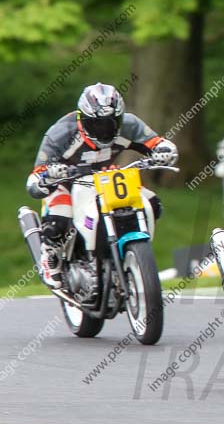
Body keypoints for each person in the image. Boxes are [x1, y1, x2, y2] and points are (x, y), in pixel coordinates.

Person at [26, 83, 178, 288]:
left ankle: (130, 252)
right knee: (58, 220)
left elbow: (157, 143)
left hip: (106, 179)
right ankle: (50, 255)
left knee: (153, 203)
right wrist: (50, 175)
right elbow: (35, 179)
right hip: (67, 183)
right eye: (97, 124)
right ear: (82, 119)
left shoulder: (130, 125)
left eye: (112, 123)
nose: (105, 130)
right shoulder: (60, 134)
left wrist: (164, 151)